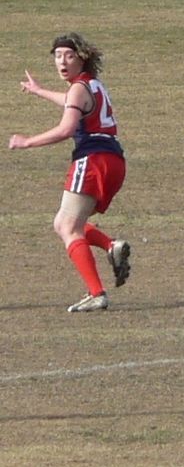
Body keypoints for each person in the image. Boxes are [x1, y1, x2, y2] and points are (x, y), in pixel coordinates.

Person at [9, 33, 131, 312]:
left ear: (82, 58)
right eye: (57, 56)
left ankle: (96, 293)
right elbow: (71, 101)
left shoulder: (78, 89)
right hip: (114, 161)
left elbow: (66, 128)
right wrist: (39, 91)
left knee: (67, 226)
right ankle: (111, 245)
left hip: (93, 160)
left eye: (69, 55)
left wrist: (27, 141)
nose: (62, 61)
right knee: (64, 223)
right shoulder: (93, 85)